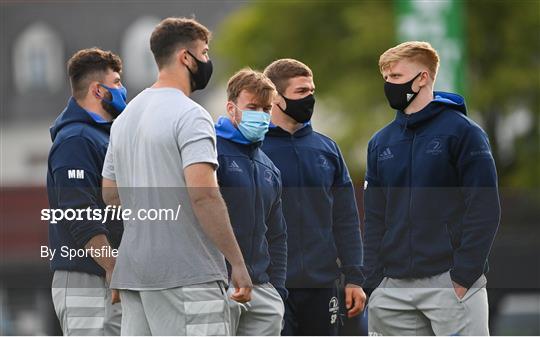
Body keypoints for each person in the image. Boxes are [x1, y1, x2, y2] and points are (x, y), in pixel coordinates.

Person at [101, 17, 252, 335]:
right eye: (205, 53)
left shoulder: (125, 117)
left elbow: (110, 194)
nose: (208, 61)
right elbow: (204, 195)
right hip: (187, 272)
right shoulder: (191, 114)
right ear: (186, 57)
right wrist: (236, 262)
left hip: (135, 272)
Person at [363, 41, 500, 336]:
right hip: (392, 289)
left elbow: (485, 208)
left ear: (423, 77)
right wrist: (373, 283)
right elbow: (374, 217)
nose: (389, 85)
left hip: (451, 284)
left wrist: (463, 276)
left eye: (397, 77)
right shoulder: (380, 143)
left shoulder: (464, 133)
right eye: (386, 79)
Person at [261, 58, 366, 336]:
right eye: (301, 92)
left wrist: (355, 277)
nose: (310, 98)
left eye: (311, 90)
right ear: (276, 98)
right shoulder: (255, 150)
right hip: (270, 285)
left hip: (322, 286)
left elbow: (346, 219)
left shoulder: (327, 150)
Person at [47, 47, 126, 335]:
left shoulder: (103, 135)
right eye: (116, 82)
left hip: (109, 274)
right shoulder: (75, 140)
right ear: (97, 90)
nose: (122, 89)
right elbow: (78, 211)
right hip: (87, 275)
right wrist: (111, 265)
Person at [215, 68, 287, 335]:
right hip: (219, 285)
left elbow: (277, 233)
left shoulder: (269, 166)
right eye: (252, 107)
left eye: (266, 109)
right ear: (231, 108)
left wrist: (277, 290)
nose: (261, 115)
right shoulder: (209, 150)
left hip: (262, 290)